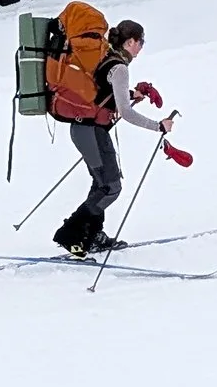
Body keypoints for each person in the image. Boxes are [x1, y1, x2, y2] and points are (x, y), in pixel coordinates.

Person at [51, 19, 172, 256]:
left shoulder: (107, 57)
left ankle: (93, 235)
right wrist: (158, 126)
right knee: (111, 187)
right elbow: (126, 113)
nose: (141, 47)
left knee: (101, 184)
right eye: (141, 42)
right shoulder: (120, 68)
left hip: (85, 130)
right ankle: (70, 234)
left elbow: (102, 92)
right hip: (91, 131)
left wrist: (131, 94)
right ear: (130, 42)